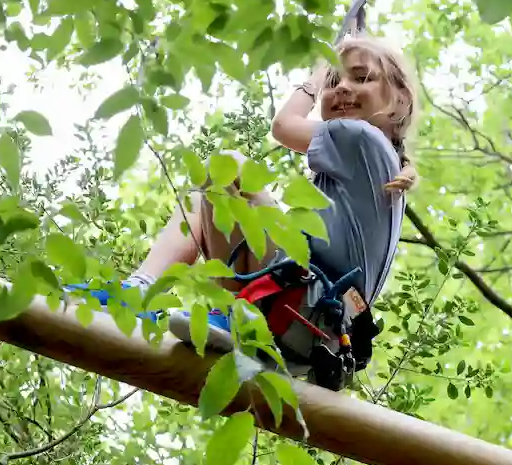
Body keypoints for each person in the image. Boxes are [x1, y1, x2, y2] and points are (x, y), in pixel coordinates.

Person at [74, 34, 418, 361]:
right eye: (334, 82)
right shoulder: (383, 167)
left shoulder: (358, 136)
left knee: (227, 169)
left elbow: (283, 126)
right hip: (315, 327)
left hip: (300, 308)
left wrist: (315, 79)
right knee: (207, 194)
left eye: (360, 78)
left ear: (400, 100)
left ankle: (214, 307)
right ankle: (146, 290)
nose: (342, 86)